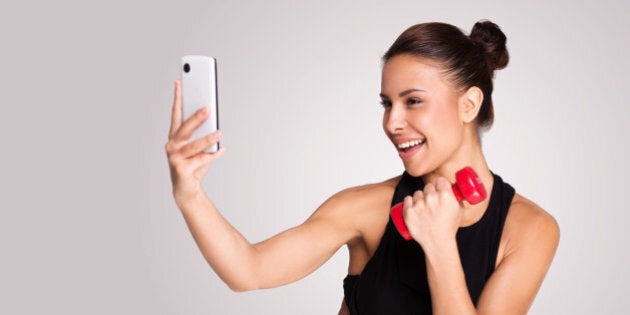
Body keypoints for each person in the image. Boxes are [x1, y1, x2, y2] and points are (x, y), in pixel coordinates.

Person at [165, 20, 559, 314]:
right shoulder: (364, 208)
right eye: (387, 103)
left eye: (413, 101)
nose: (392, 122)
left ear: (468, 105)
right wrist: (190, 195)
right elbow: (249, 271)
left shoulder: (529, 229)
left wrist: (439, 242)